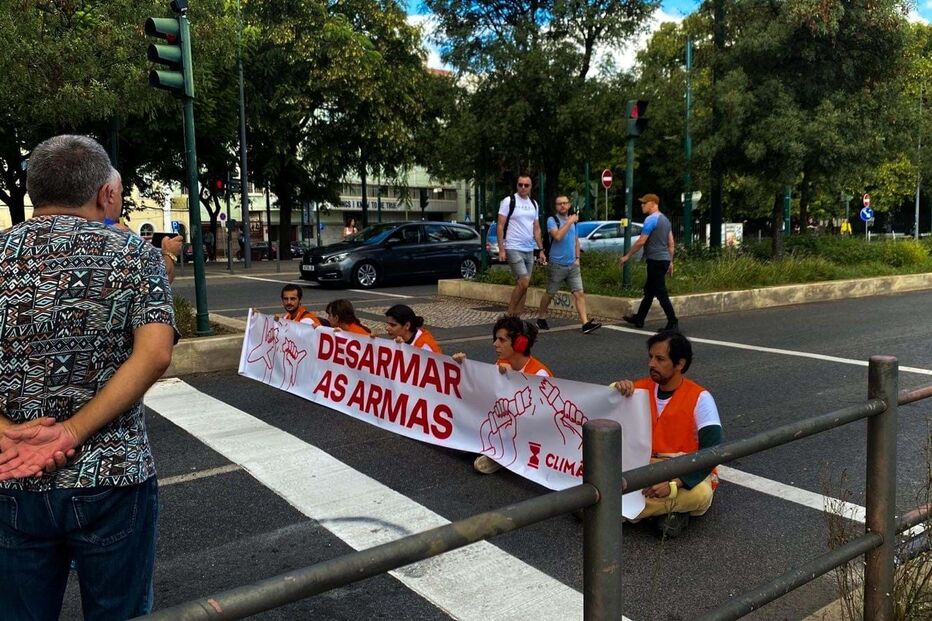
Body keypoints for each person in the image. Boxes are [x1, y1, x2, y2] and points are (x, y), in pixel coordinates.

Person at [0, 135, 175, 618]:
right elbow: (156, 354)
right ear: (105, 194)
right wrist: (72, 431)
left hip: (11, 474)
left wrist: (7, 432)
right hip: (113, 476)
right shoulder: (135, 254)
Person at [612, 330, 722, 538]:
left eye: (660, 359)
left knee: (701, 494)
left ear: (679, 364)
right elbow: (602, 410)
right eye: (651, 357)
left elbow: (713, 451)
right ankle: (668, 512)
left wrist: (676, 483)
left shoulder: (701, 398)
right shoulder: (638, 388)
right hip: (644, 465)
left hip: (683, 468)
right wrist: (617, 389)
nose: (651, 364)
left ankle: (616, 513)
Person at [453, 315, 552, 474]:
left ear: (520, 344)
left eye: (501, 340)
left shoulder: (540, 374)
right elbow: (484, 393)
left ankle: (503, 455)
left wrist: (513, 381)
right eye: (496, 339)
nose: (495, 344)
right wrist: (463, 368)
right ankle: (496, 451)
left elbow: (539, 419)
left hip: (531, 434)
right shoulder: (500, 364)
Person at [537, 195, 602, 334]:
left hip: (572, 265)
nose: (562, 206)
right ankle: (541, 317)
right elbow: (558, 236)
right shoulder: (552, 220)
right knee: (550, 293)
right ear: (556, 206)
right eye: (559, 203)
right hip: (557, 264)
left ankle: (585, 323)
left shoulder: (573, 222)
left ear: (569, 205)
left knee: (579, 294)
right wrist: (569, 221)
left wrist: (577, 258)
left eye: (565, 203)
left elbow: (576, 241)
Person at [620, 193, 678, 331]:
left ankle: (673, 322)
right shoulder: (665, 220)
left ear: (652, 203)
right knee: (650, 291)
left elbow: (641, 240)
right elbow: (671, 243)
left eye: (644, 203)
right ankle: (639, 318)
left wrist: (627, 256)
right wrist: (670, 261)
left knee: (660, 292)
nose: (642, 205)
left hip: (655, 261)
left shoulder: (651, 219)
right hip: (663, 260)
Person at [497, 174, 546, 315]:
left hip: (529, 249)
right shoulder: (509, 201)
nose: (523, 187)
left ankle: (517, 320)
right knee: (524, 282)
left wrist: (541, 250)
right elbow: (500, 225)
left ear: (531, 187)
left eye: (526, 185)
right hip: (513, 246)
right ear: (517, 185)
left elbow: (536, 228)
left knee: (524, 285)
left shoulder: (533, 204)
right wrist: (502, 249)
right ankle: (509, 315)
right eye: (520, 184)